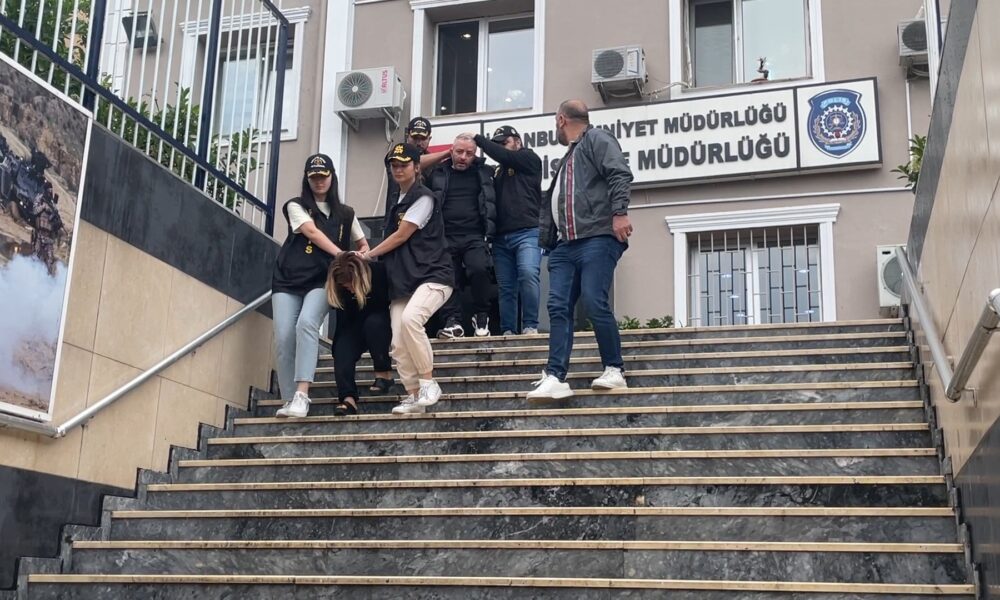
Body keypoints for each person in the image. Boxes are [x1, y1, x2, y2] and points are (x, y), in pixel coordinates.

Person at [526, 100, 634, 401]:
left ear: (561, 119)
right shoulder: (569, 156)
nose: (556, 128)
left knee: (594, 299)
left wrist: (620, 213)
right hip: (564, 245)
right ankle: (555, 376)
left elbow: (619, 173)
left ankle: (614, 369)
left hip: (596, 236)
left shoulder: (596, 138)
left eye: (555, 123)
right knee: (558, 306)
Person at [271, 153, 369, 418]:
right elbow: (312, 232)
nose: (319, 181)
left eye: (323, 176)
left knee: (307, 324)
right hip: (287, 280)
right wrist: (342, 254)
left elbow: (363, 244)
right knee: (283, 337)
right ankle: (288, 399)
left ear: (331, 177)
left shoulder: (346, 213)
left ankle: (302, 395)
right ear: (307, 179)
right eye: (313, 177)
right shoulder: (295, 205)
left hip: (323, 280)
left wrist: (359, 257)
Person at [363, 143, 454, 415]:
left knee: (411, 320)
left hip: (434, 275)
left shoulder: (424, 197)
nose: (398, 169)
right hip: (404, 281)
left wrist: (368, 254)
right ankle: (413, 395)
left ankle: (428, 382)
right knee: (398, 341)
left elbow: (402, 235)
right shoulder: (398, 200)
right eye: (394, 165)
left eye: (404, 164)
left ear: (417, 167)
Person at [474, 125, 543, 336]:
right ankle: (508, 330)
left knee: (528, 274)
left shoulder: (529, 158)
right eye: (498, 144)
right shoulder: (498, 170)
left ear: (518, 142)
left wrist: (478, 139)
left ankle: (530, 325)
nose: (501, 148)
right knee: (506, 287)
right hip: (501, 238)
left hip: (527, 232)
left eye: (505, 142)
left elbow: (505, 156)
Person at [428, 133, 497, 338]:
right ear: (451, 151)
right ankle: (452, 320)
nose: (463, 157)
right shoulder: (438, 173)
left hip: (474, 235)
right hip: (445, 236)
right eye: (459, 152)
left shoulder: (484, 172)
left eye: (469, 153)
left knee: (479, 269)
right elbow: (413, 167)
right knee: (449, 278)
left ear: (475, 155)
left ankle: (481, 315)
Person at [326, 252, 394, 416]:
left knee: (374, 324)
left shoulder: (378, 272)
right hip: (353, 324)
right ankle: (348, 399)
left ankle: (383, 375)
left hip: (380, 320)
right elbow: (343, 323)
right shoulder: (340, 287)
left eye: (350, 284)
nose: (348, 288)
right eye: (344, 286)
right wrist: (339, 348)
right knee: (342, 349)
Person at [384, 117, 450, 209]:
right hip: (398, 210)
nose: (419, 143)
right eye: (415, 138)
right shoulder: (396, 154)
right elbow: (416, 161)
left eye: (423, 138)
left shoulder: (436, 164)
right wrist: (448, 153)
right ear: (408, 136)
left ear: (429, 139)